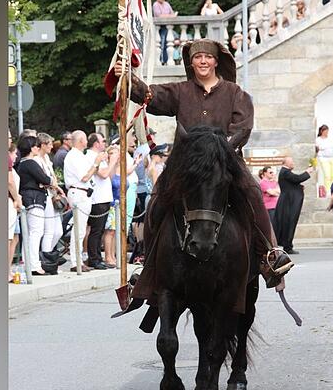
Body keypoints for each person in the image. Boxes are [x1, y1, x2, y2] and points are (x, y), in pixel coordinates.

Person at [111, 37, 294, 312]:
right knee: (156, 200)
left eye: (207, 57)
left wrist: (220, 150)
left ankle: (269, 255)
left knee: (253, 193)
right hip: (186, 166)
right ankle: (149, 266)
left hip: (225, 162)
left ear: (216, 61)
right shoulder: (181, 91)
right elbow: (150, 95)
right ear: (192, 62)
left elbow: (243, 127)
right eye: (198, 58)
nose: (203, 61)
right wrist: (127, 77)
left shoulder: (235, 93)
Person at [63, 130, 107, 272]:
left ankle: (78, 260)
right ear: (81, 141)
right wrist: (96, 163)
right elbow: (85, 177)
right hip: (78, 193)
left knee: (81, 230)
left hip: (84, 193)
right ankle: (76, 262)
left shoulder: (79, 156)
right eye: (85, 139)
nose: (87, 142)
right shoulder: (73, 156)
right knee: (79, 230)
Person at [15, 134, 51, 275]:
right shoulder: (30, 163)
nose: (38, 148)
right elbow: (46, 179)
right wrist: (45, 182)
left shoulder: (22, 163)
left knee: (30, 232)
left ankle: (28, 263)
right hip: (34, 198)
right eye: (36, 146)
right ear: (31, 148)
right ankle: (34, 264)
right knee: (36, 232)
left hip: (29, 197)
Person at [88, 132, 119, 270]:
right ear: (96, 143)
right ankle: (94, 259)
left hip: (105, 197)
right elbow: (103, 174)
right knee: (96, 231)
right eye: (103, 141)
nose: (105, 143)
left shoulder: (101, 157)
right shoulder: (92, 157)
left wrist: (114, 163)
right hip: (97, 198)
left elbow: (109, 176)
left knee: (100, 230)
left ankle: (97, 258)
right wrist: (112, 162)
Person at [35, 133, 66, 265]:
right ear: (42, 145)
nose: (52, 146)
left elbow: (52, 177)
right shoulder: (37, 159)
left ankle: (48, 255)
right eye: (49, 144)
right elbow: (44, 179)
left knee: (58, 231)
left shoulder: (47, 158)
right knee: (49, 230)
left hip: (52, 194)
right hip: (45, 194)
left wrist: (57, 187)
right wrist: (53, 185)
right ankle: (46, 260)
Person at [274, 156, 314, 254]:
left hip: (288, 201)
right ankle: (287, 246)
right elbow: (296, 179)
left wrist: (299, 187)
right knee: (288, 223)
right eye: (291, 162)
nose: (293, 163)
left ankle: (287, 245)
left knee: (289, 223)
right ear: (286, 163)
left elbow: (291, 184)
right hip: (288, 202)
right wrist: (307, 172)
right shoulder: (285, 172)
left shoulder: (285, 172)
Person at [7, 131, 23, 282]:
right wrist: (17, 199)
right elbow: (10, 181)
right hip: (9, 200)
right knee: (8, 237)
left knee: (13, 237)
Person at [152, 0, 177, 65]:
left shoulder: (166, 4)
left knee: (167, 44)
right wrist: (170, 16)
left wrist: (170, 15)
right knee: (161, 44)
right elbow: (159, 15)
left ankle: (166, 60)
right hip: (160, 27)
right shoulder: (155, 5)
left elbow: (172, 13)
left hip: (167, 26)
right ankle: (162, 60)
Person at [315, 124, 333, 198]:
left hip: (331, 158)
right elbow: (319, 148)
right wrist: (324, 147)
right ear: (322, 131)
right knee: (327, 175)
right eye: (325, 131)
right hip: (323, 159)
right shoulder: (318, 140)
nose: (327, 132)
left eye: (327, 131)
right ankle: (328, 191)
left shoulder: (330, 139)